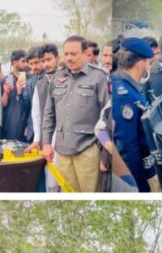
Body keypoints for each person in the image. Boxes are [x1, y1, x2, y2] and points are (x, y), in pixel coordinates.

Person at [42, 35, 109, 192]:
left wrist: (106, 153)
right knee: (68, 195)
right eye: (66, 54)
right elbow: (49, 114)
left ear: (85, 53)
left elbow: (107, 117)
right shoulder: (57, 78)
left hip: (88, 149)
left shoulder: (98, 77)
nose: (69, 58)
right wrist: (46, 143)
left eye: (73, 54)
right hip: (62, 151)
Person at [112, 37, 158, 192]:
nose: (149, 67)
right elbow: (127, 145)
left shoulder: (132, 87)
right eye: (149, 63)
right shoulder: (124, 94)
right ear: (141, 64)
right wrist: (138, 183)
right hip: (135, 175)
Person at [0, 49, 31, 141]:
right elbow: (2, 104)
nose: (26, 64)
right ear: (14, 62)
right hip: (9, 123)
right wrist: (6, 92)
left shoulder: (31, 79)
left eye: (27, 61)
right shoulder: (7, 79)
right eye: (23, 61)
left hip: (25, 122)